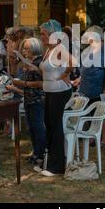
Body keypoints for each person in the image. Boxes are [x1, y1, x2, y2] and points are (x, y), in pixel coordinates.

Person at [27, 19, 73, 176]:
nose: (42, 37)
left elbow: (72, 62)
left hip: (59, 92)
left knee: (55, 127)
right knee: (49, 126)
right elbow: (47, 71)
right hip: (49, 91)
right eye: (41, 34)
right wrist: (33, 67)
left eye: (44, 34)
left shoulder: (59, 49)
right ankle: (48, 161)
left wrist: (65, 75)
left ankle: (57, 166)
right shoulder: (48, 50)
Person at [6, 38, 46, 166]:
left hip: (37, 100)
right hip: (29, 99)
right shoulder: (30, 62)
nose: (24, 51)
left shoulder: (39, 63)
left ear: (34, 49)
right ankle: (36, 153)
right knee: (31, 128)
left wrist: (21, 83)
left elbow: (41, 84)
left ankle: (41, 155)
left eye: (26, 48)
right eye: (23, 48)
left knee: (38, 128)